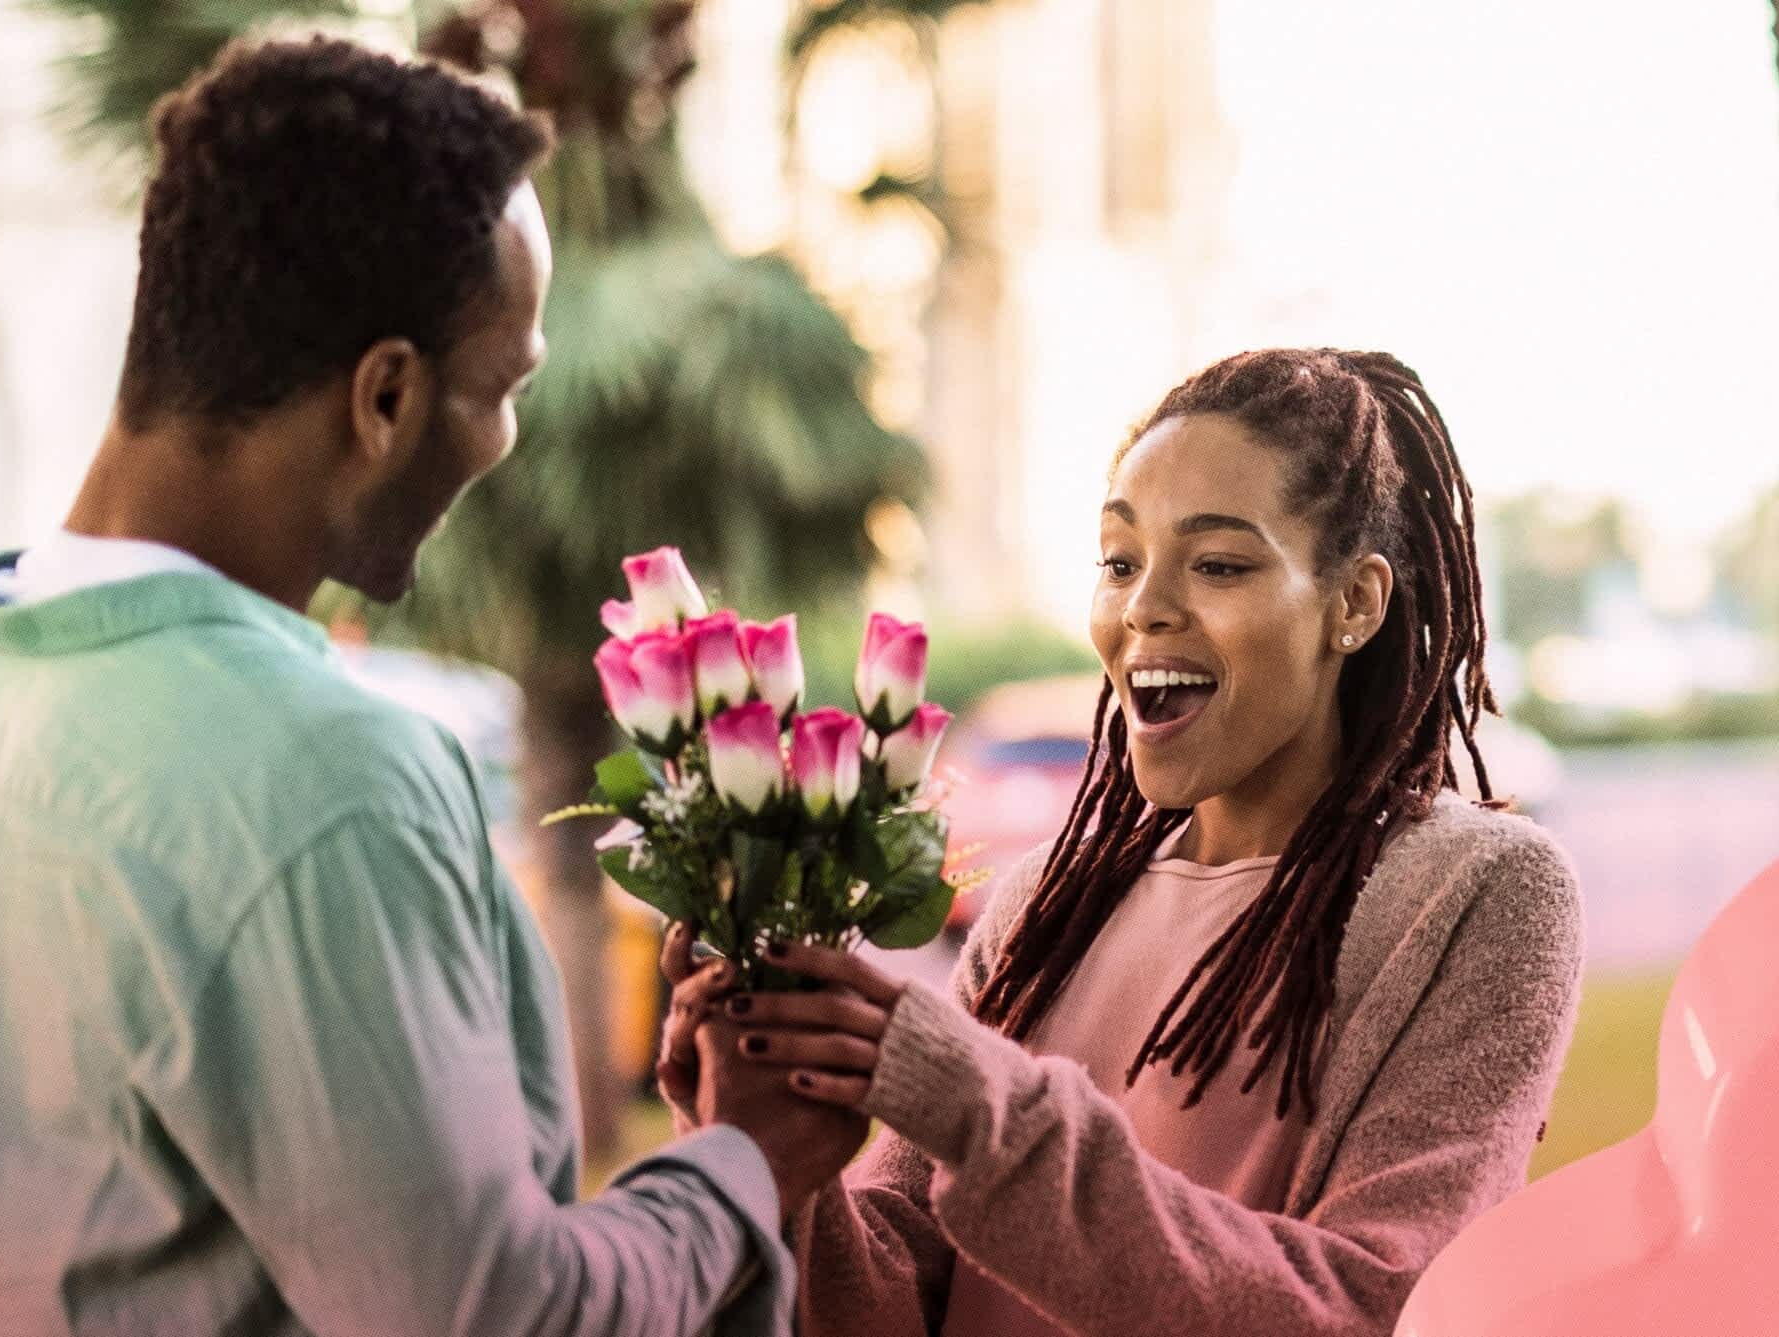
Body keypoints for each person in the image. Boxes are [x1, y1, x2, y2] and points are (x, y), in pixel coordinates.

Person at [0, 34, 860, 1337]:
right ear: (383, 397)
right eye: (501, 388)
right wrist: (741, 1164)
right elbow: (493, 1317)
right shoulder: (332, 779)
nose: (507, 440)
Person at [661, 347, 1586, 1335]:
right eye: (1117, 560)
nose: (1143, 604)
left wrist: (978, 1106)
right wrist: (773, 1170)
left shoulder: (1480, 893)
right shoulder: (1039, 910)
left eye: (1219, 563)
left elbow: (1379, 1309)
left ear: (1354, 603)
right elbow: (894, 1300)